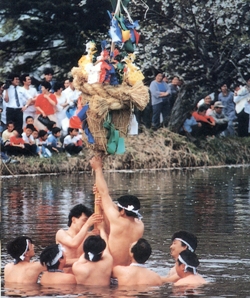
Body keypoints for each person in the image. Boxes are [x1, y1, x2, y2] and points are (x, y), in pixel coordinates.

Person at [90, 156, 144, 266]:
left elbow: (105, 193)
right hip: (128, 270)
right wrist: (100, 194)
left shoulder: (117, 219)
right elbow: (110, 203)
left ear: (123, 212)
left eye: (119, 209)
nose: (117, 209)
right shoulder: (140, 225)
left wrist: (98, 169)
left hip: (111, 269)